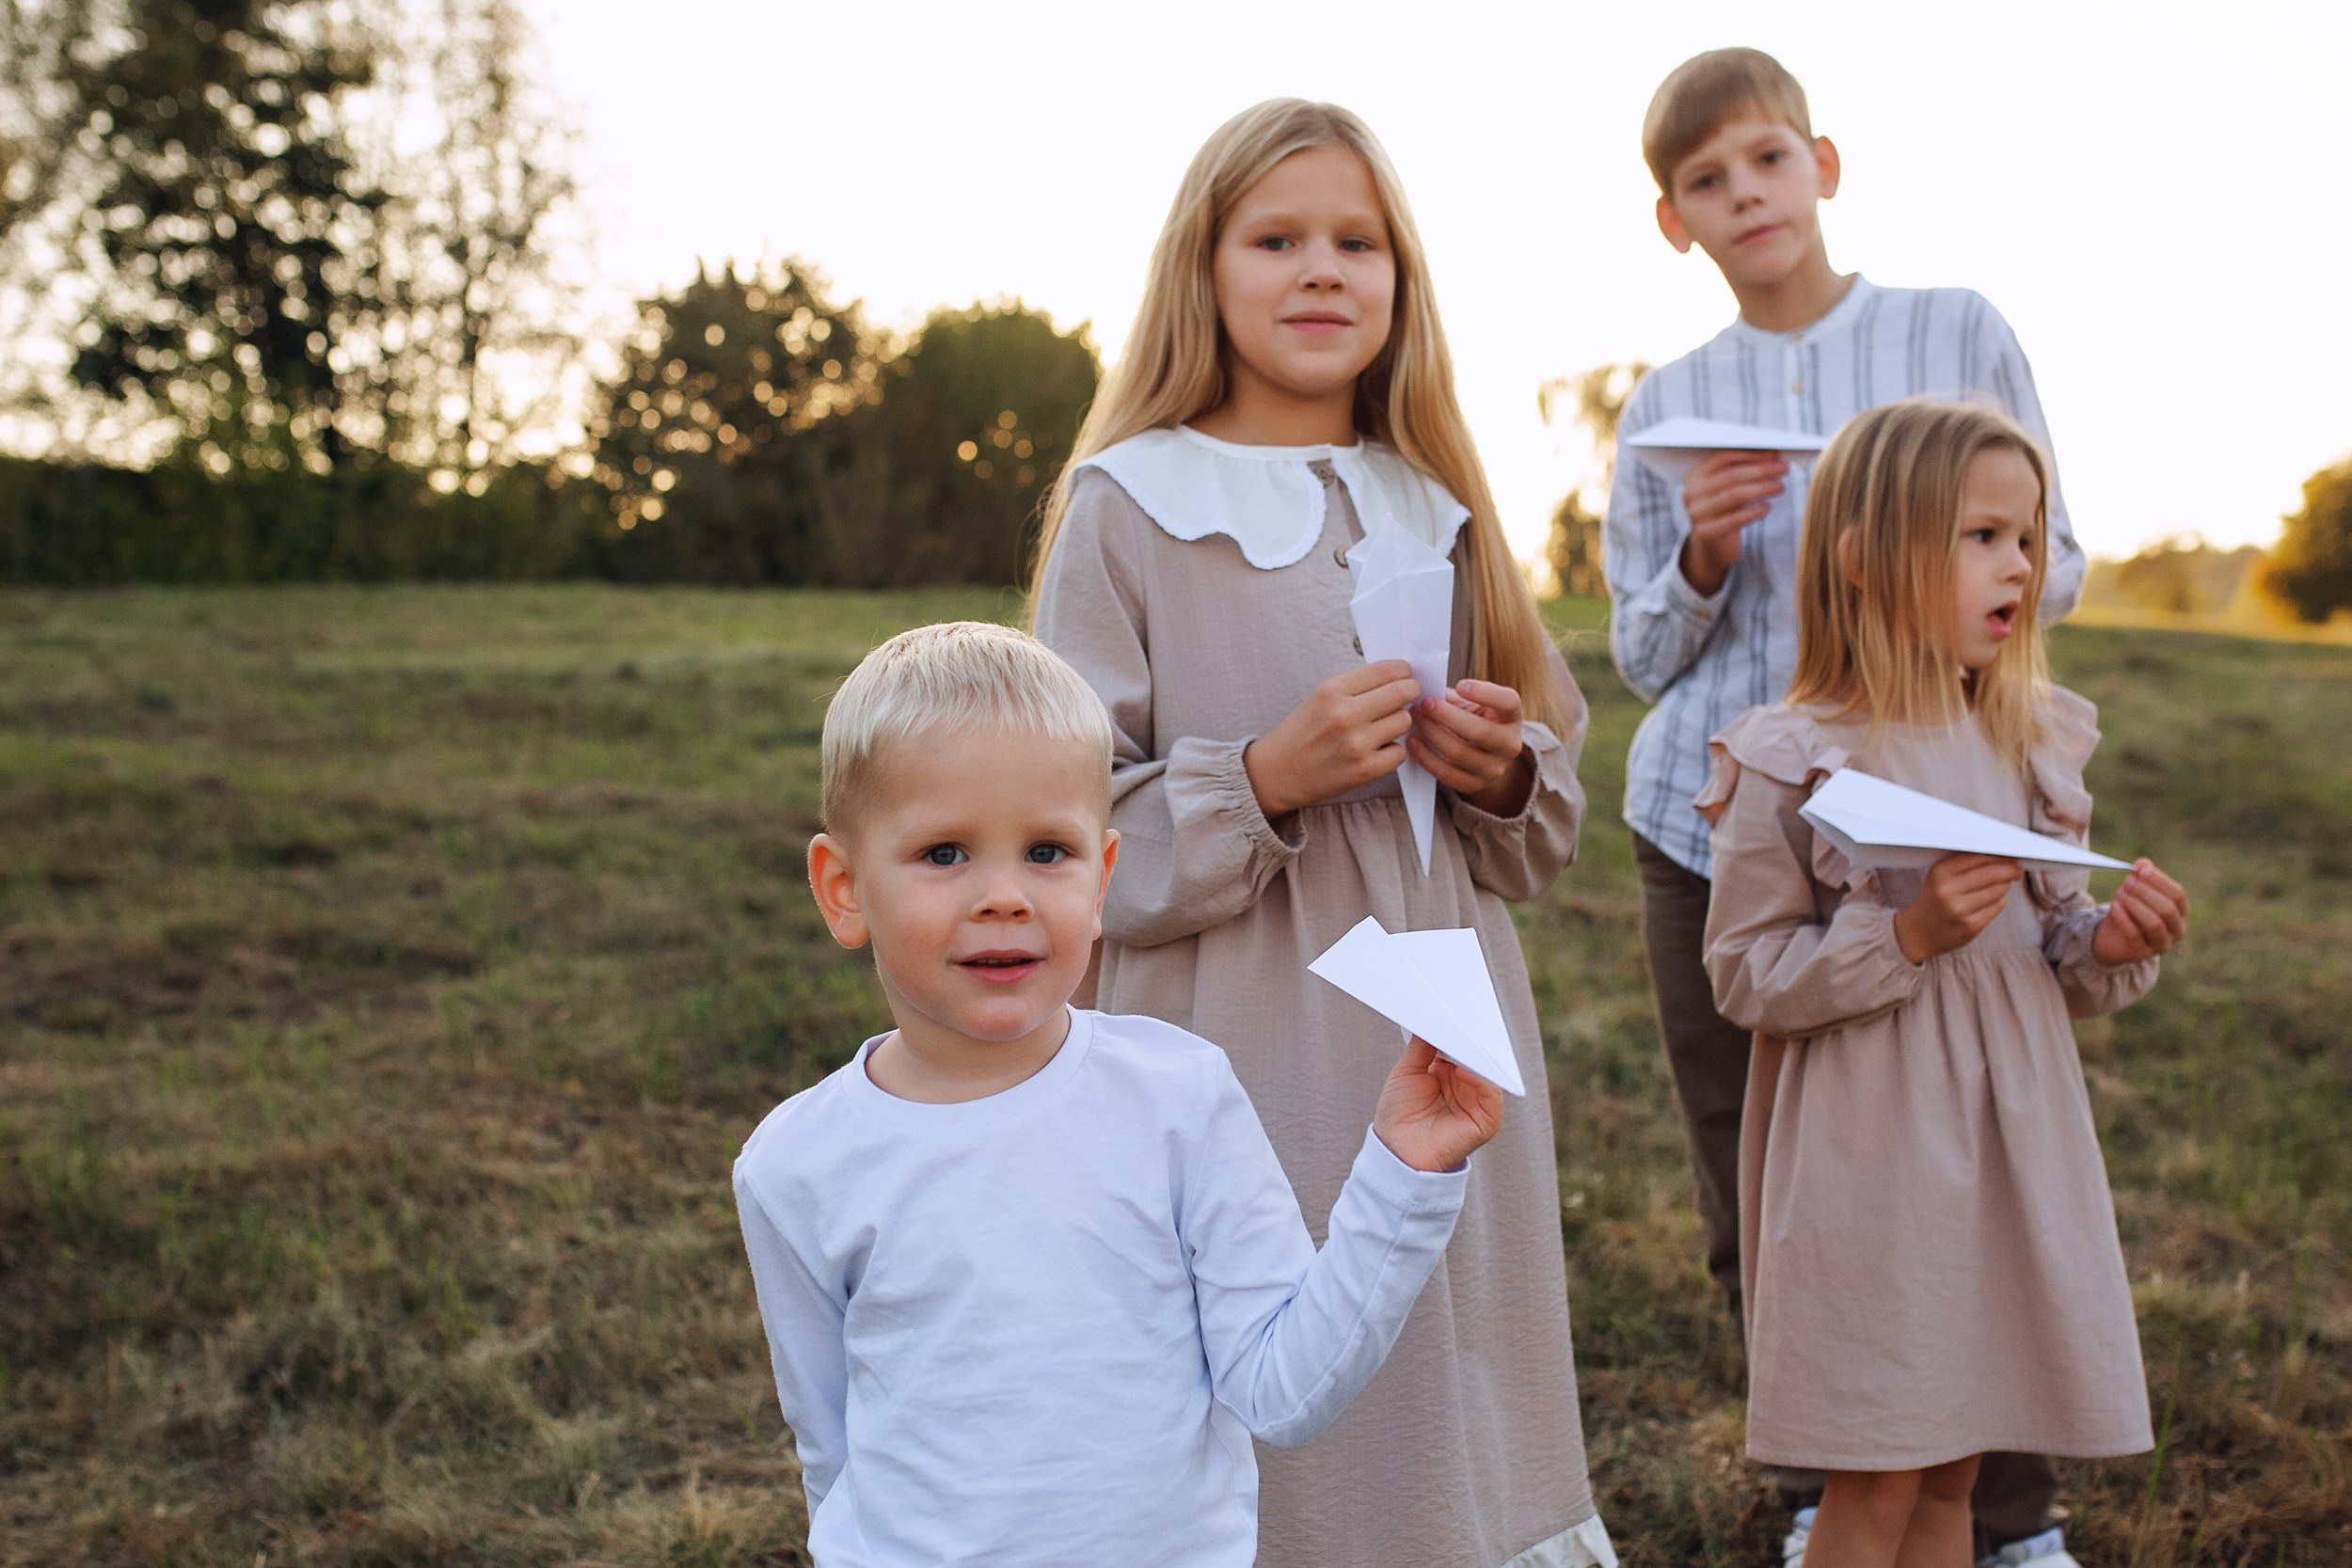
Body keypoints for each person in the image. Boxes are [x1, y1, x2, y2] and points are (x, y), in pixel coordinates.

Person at [1029, 100, 1613, 1568]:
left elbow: (1543, 833)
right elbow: (1056, 827)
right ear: (1204, 268)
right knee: (1265, 1328)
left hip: (1435, 1016)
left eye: (1358, 242)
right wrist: (1264, 775)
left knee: (1432, 1344)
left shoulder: (1442, 505)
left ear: (1402, 281)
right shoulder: (1128, 504)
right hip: (1231, 1024)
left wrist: (1500, 772)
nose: (1320, 270)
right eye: (1276, 238)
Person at [1600, 46, 2090, 1567]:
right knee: (1765, 1171)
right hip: (1723, 823)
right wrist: (1699, 555)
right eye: (1706, 180)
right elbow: (1638, 654)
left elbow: (2056, 559)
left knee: (1971, 1163)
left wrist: (1943, 562)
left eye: (1766, 159)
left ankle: (2002, 1514)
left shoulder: (1957, 331)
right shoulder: (1670, 405)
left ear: (1823, 165)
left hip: (1930, 822)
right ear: (1674, 220)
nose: (1745, 194)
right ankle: (1841, 1479)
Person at [733, 621, 1509, 1568]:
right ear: (844, 888)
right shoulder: (795, 1163)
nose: (1005, 895)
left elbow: (1282, 1387)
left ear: (1101, 881)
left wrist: (1403, 1173)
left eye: (1046, 851)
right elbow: (831, 1441)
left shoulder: (1177, 1097)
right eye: (943, 852)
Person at [1696, 399, 2188, 1568]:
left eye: (2025, 535)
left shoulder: (2029, 743)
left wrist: (2110, 943)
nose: (2018, 564)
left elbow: (2055, 948)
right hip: (1873, 1158)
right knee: (1877, 1465)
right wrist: (1905, 934)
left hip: (2006, 1148)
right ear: (1865, 559)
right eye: (1981, 536)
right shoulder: (1794, 755)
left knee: (1956, 1460)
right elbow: (1744, 973)